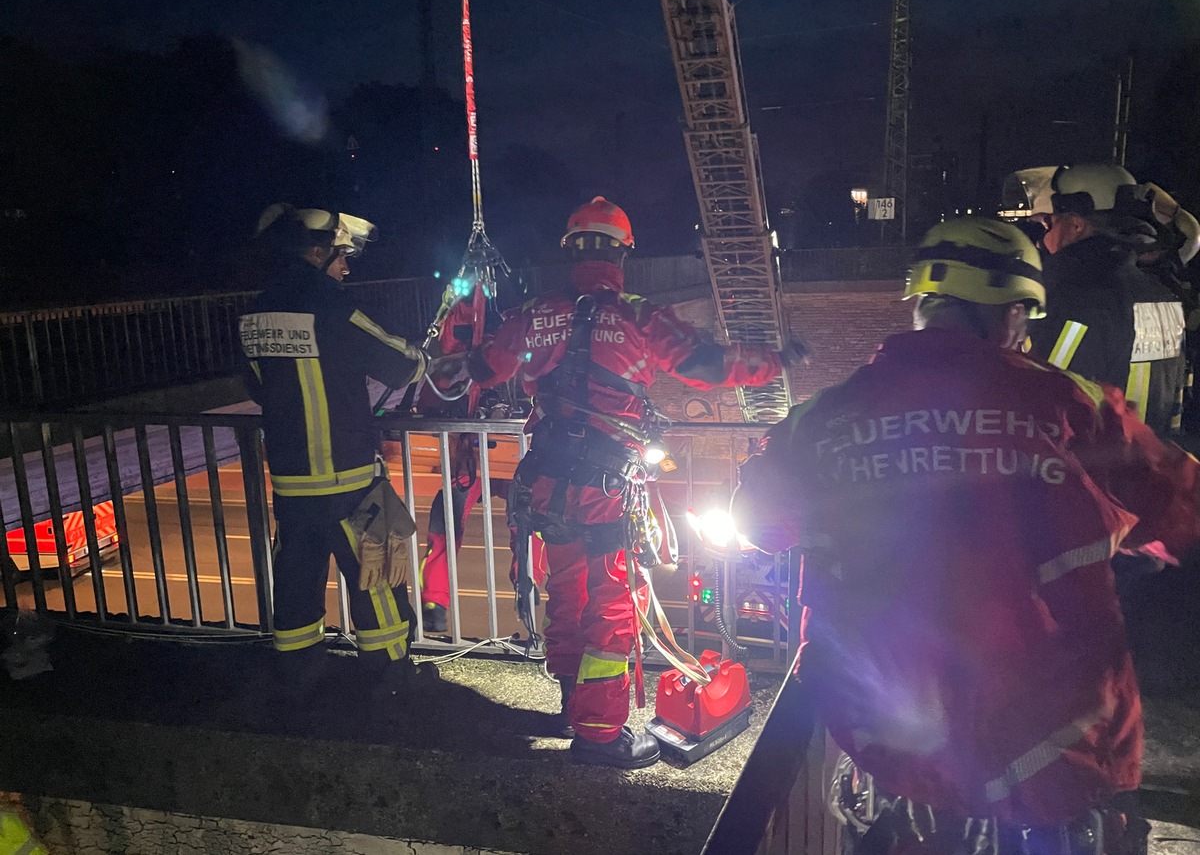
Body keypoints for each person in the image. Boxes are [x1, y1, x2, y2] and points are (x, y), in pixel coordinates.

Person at [731, 217, 1200, 854]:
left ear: (924, 306)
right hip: (1057, 752)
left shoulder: (823, 419)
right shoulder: (1074, 404)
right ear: (1009, 312)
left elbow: (758, 523)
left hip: (899, 753)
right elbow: (1183, 505)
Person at [429, 196, 799, 767]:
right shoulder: (637, 314)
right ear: (623, 254)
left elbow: (485, 368)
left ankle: (571, 702)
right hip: (603, 488)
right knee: (612, 605)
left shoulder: (535, 311)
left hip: (547, 481)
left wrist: (458, 357)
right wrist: (774, 361)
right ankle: (600, 731)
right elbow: (703, 366)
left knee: (566, 594)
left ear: (571, 251)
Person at [239, 203, 436, 698]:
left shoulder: (254, 311)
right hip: (348, 475)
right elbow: (397, 363)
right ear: (318, 252)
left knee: (298, 577)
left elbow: (259, 386)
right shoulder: (331, 304)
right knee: (378, 576)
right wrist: (423, 354)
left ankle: (299, 673)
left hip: (290, 477)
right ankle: (391, 675)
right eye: (340, 255)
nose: (345, 266)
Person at [1002, 164, 1188, 437]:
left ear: (1076, 224)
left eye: (1048, 223)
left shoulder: (1077, 297)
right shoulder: (1160, 294)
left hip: (1091, 472)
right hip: (1150, 466)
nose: (1043, 238)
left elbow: (1045, 397)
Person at [419, 431, 548, 634]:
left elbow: (433, 405)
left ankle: (434, 605)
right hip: (513, 456)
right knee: (526, 524)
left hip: (475, 455)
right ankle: (527, 581)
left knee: (445, 528)